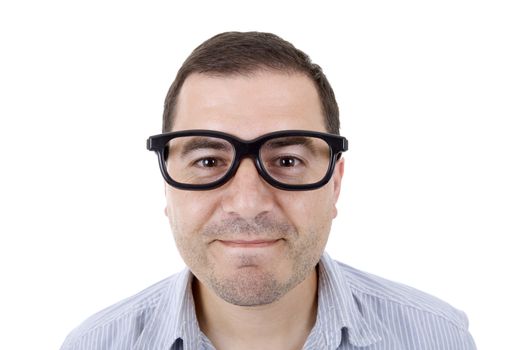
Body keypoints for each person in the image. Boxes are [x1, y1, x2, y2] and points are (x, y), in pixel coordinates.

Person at [60, 31, 476, 350]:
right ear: (167, 184)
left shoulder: (438, 337)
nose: (247, 203)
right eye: (208, 161)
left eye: (287, 161)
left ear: (335, 183)